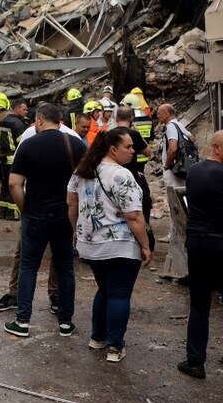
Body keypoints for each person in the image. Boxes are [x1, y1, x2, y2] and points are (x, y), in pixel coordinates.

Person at [68, 126, 152, 362]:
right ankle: (115, 346)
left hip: (91, 244)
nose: (133, 151)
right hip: (120, 245)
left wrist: (75, 230)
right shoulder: (121, 174)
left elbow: (71, 203)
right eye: (128, 147)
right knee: (119, 294)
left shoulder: (83, 170)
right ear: (113, 149)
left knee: (105, 290)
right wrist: (145, 245)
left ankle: (98, 337)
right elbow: (134, 216)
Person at [3, 103, 84, 338]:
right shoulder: (75, 144)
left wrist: (25, 208)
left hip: (36, 214)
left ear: (39, 120)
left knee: (28, 267)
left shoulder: (28, 145)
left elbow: (13, 184)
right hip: (64, 216)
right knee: (65, 269)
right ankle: (66, 322)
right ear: (59, 120)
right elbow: (85, 181)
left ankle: (22, 321)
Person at [177, 130, 223, 379]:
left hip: (198, 243)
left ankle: (195, 361)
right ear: (217, 148)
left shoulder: (195, 171)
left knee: (199, 304)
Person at [114, 105, 153, 225]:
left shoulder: (109, 134)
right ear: (131, 119)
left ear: (116, 117)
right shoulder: (134, 135)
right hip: (132, 176)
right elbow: (148, 153)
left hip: (113, 176)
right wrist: (138, 134)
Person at [0, 98, 28, 221]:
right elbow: (23, 143)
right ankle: (13, 213)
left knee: (5, 185)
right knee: (16, 185)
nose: (26, 111)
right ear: (17, 109)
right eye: (24, 109)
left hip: (3, 158)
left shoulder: (3, 121)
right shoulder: (19, 124)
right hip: (14, 158)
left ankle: (3, 211)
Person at [158, 103, 194, 191]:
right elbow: (192, 138)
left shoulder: (171, 126)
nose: (158, 116)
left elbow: (173, 149)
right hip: (181, 167)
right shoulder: (179, 125)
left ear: (167, 114)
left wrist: (167, 165)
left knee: (174, 198)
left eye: (159, 113)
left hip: (173, 169)